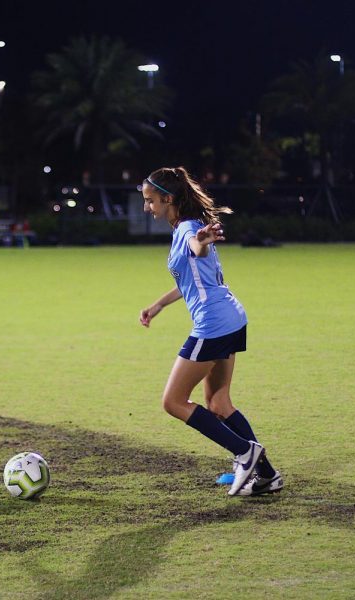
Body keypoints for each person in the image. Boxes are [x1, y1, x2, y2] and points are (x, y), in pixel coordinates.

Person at [139, 166, 283, 496]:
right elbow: (191, 278)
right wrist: (159, 305)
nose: (148, 207)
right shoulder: (182, 228)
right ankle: (267, 474)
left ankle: (245, 453)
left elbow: (197, 246)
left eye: (150, 201)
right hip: (232, 317)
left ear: (168, 198)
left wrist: (201, 242)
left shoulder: (189, 228)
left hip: (214, 324)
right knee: (218, 403)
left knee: (173, 401)